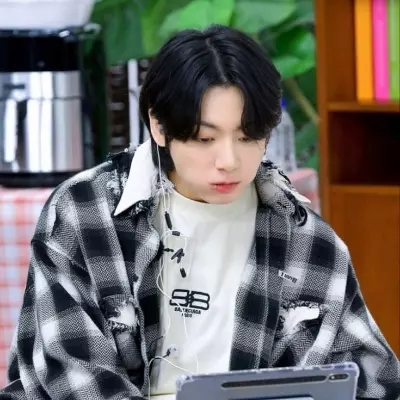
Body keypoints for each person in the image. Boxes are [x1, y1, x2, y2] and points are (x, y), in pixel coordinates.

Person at [1, 24, 399, 400]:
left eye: (248, 137)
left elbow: (374, 381)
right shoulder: (84, 212)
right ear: (159, 126)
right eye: (206, 138)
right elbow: (70, 373)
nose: (229, 161)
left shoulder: (307, 239)